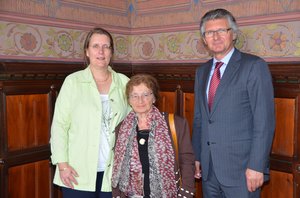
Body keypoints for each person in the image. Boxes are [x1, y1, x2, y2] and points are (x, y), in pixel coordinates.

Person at [192, 8, 275, 198]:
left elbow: (264, 122)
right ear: (204, 39)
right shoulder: (202, 72)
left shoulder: (254, 66)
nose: (216, 36)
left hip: (243, 171)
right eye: (210, 32)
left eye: (222, 30)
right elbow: (199, 119)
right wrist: (197, 156)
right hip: (209, 169)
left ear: (233, 34)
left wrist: (256, 165)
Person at [50, 27, 131, 198]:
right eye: (95, 46)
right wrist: (62, 165)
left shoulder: (124, 83)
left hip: (113, 173)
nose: (101, 51)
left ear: (111, 52)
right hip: (76, 172)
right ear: (87, 51)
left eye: (106, 46)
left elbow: (134, 123)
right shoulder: (73, 82)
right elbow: (59, 126)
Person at [111, 74, 195, 197]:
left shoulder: (175, 124)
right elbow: (117, 167)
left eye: (146, 95)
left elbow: (187, 160)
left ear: (154, 98)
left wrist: (186, 192)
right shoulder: (122, 128)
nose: (140, 101)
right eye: (134, 96)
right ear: (129, 100)